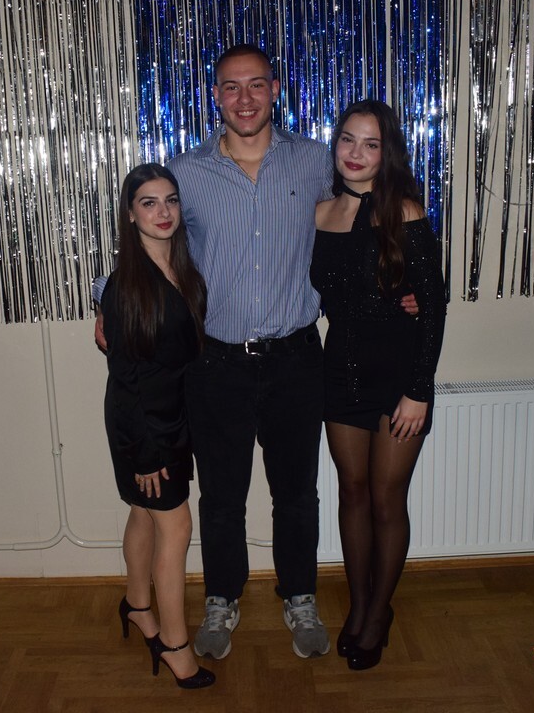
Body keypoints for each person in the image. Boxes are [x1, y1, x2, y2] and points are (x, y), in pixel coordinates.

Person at [95, 45, 418, 661]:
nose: (244, 98)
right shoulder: (187, 173)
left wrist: (407, 289)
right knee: (221, 497)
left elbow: (374, 215)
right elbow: (146, 238)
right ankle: (222, 599)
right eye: (230, 87)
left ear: (275, 88)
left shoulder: (315, 161)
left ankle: (300, 596)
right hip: (215, 362)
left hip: (297, 358)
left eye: (255, 85)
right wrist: (105, 301)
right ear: (214, 96)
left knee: (297, 493)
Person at [309, 99, 447, 670]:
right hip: (339, 371)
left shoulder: (405, 211)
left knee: (388, 500)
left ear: (386, 153)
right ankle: (361, 604)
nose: (356, 153)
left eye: (371, 144)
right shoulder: (319, 214)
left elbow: (433, 307)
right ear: (335, 142)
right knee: (353, 493)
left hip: (398, 378)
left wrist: (419, 390)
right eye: (348, 139)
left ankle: (377, 611)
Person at [102, 163, 214, 689]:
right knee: (176, 526)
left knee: (144, 515)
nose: (163, 211)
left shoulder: (182, 268)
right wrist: (145, 452)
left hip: (175, 416)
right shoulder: (126, 286)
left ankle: (137, 604)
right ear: (130, 214)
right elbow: (127, 379)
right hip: (144, 424)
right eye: (148, 202)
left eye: (170, 200)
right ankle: (174, 644)